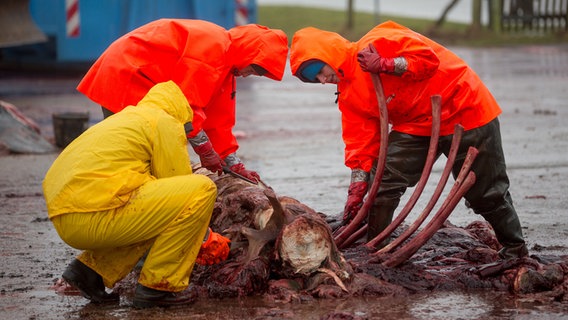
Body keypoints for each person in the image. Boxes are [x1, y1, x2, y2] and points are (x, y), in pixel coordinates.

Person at [289, 21, 528, 259]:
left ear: (328, 53)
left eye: (319, 71)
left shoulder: (379, 41)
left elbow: (428, 60)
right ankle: (374, 247)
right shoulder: (348, 94)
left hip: (464, 107)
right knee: (382, 182)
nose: (322, 80)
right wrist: (357, 186)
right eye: (314, 79)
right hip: (418, 124)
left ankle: (514, 248)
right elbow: (360, 141)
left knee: (485, 193)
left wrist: (387, 64)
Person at [42, 81, 231, 308]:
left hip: (69, 217)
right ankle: (159, 287)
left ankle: (89, 273)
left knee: (148, 209)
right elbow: (180, 188)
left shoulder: (128, 119)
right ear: (183, 113)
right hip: (92, 212)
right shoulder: (165, 121)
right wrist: (205, 237)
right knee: (202, 188)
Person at [77, 19, 289, 183]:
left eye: (256, 73)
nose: (248, 74)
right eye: (253, 68)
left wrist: (232, 162)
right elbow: (186, 106)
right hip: (128, 73)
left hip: (143, 78)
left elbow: (218, 120)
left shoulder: (227, 65)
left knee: (154, 151)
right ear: (249, 52)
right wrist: (205, 150)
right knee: (135, 154)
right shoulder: (213, 49)